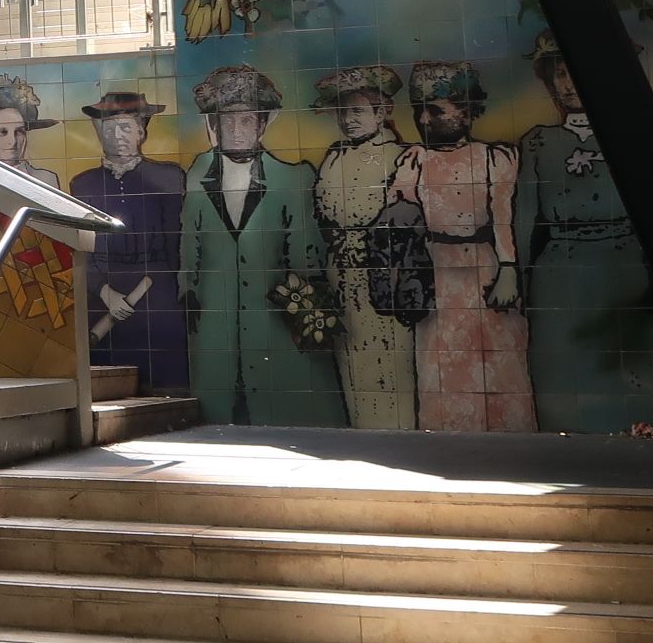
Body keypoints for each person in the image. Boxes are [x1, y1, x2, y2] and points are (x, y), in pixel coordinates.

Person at [513, 32, 653, 433]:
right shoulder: (538, 142)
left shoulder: (632, 134)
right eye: (561, 75)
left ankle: (642, 436)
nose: (569, 84)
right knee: (563, 360)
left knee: (632, 356)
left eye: (577, 74)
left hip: (624, 259)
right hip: (560, 269)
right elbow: (525, 216)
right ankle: (570, 442)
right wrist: (516, 273)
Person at [178, 64, 343, 425]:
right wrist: (187, 293)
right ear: (213, 125)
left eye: (247, 120)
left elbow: (307, 260)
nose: (236, 130)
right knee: (218, 421)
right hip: (216, 329)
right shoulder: (195, 175)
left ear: (263, 124)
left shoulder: (293, 177)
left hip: (277, 327)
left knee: (290, 414)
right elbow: (188, 250)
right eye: (227, 121)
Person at [388, 61, 533, 432]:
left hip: (486, 268)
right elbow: (399, 222)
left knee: (500, 362)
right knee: (441, 364)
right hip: (436, 271)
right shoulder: (413, 161)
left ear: (466, 111)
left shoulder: (493, 158)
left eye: (436, 111)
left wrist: (508, 272)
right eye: (420, 111)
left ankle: (509, 446)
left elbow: (503, 217)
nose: (424, 120)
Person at [311, 65, 415, 430]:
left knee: (389, 363)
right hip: (341, 273)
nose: (348, 120)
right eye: (343, 112)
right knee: (351, 363)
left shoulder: (402, 156)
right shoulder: (334, 156)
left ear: (381, 111)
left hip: (384, 275)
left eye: (357, 111)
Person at [68, 90, 188, 395]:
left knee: (163, 375)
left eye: (126, 127)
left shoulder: (168, 178)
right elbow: (82, 247)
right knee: (108, 377)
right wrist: (105, 293)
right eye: (109, 128)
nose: (118, 136)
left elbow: (176, 244)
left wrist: (159, 287)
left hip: (156, 291)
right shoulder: (83, 184)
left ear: (141, 132)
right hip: (103, 296)